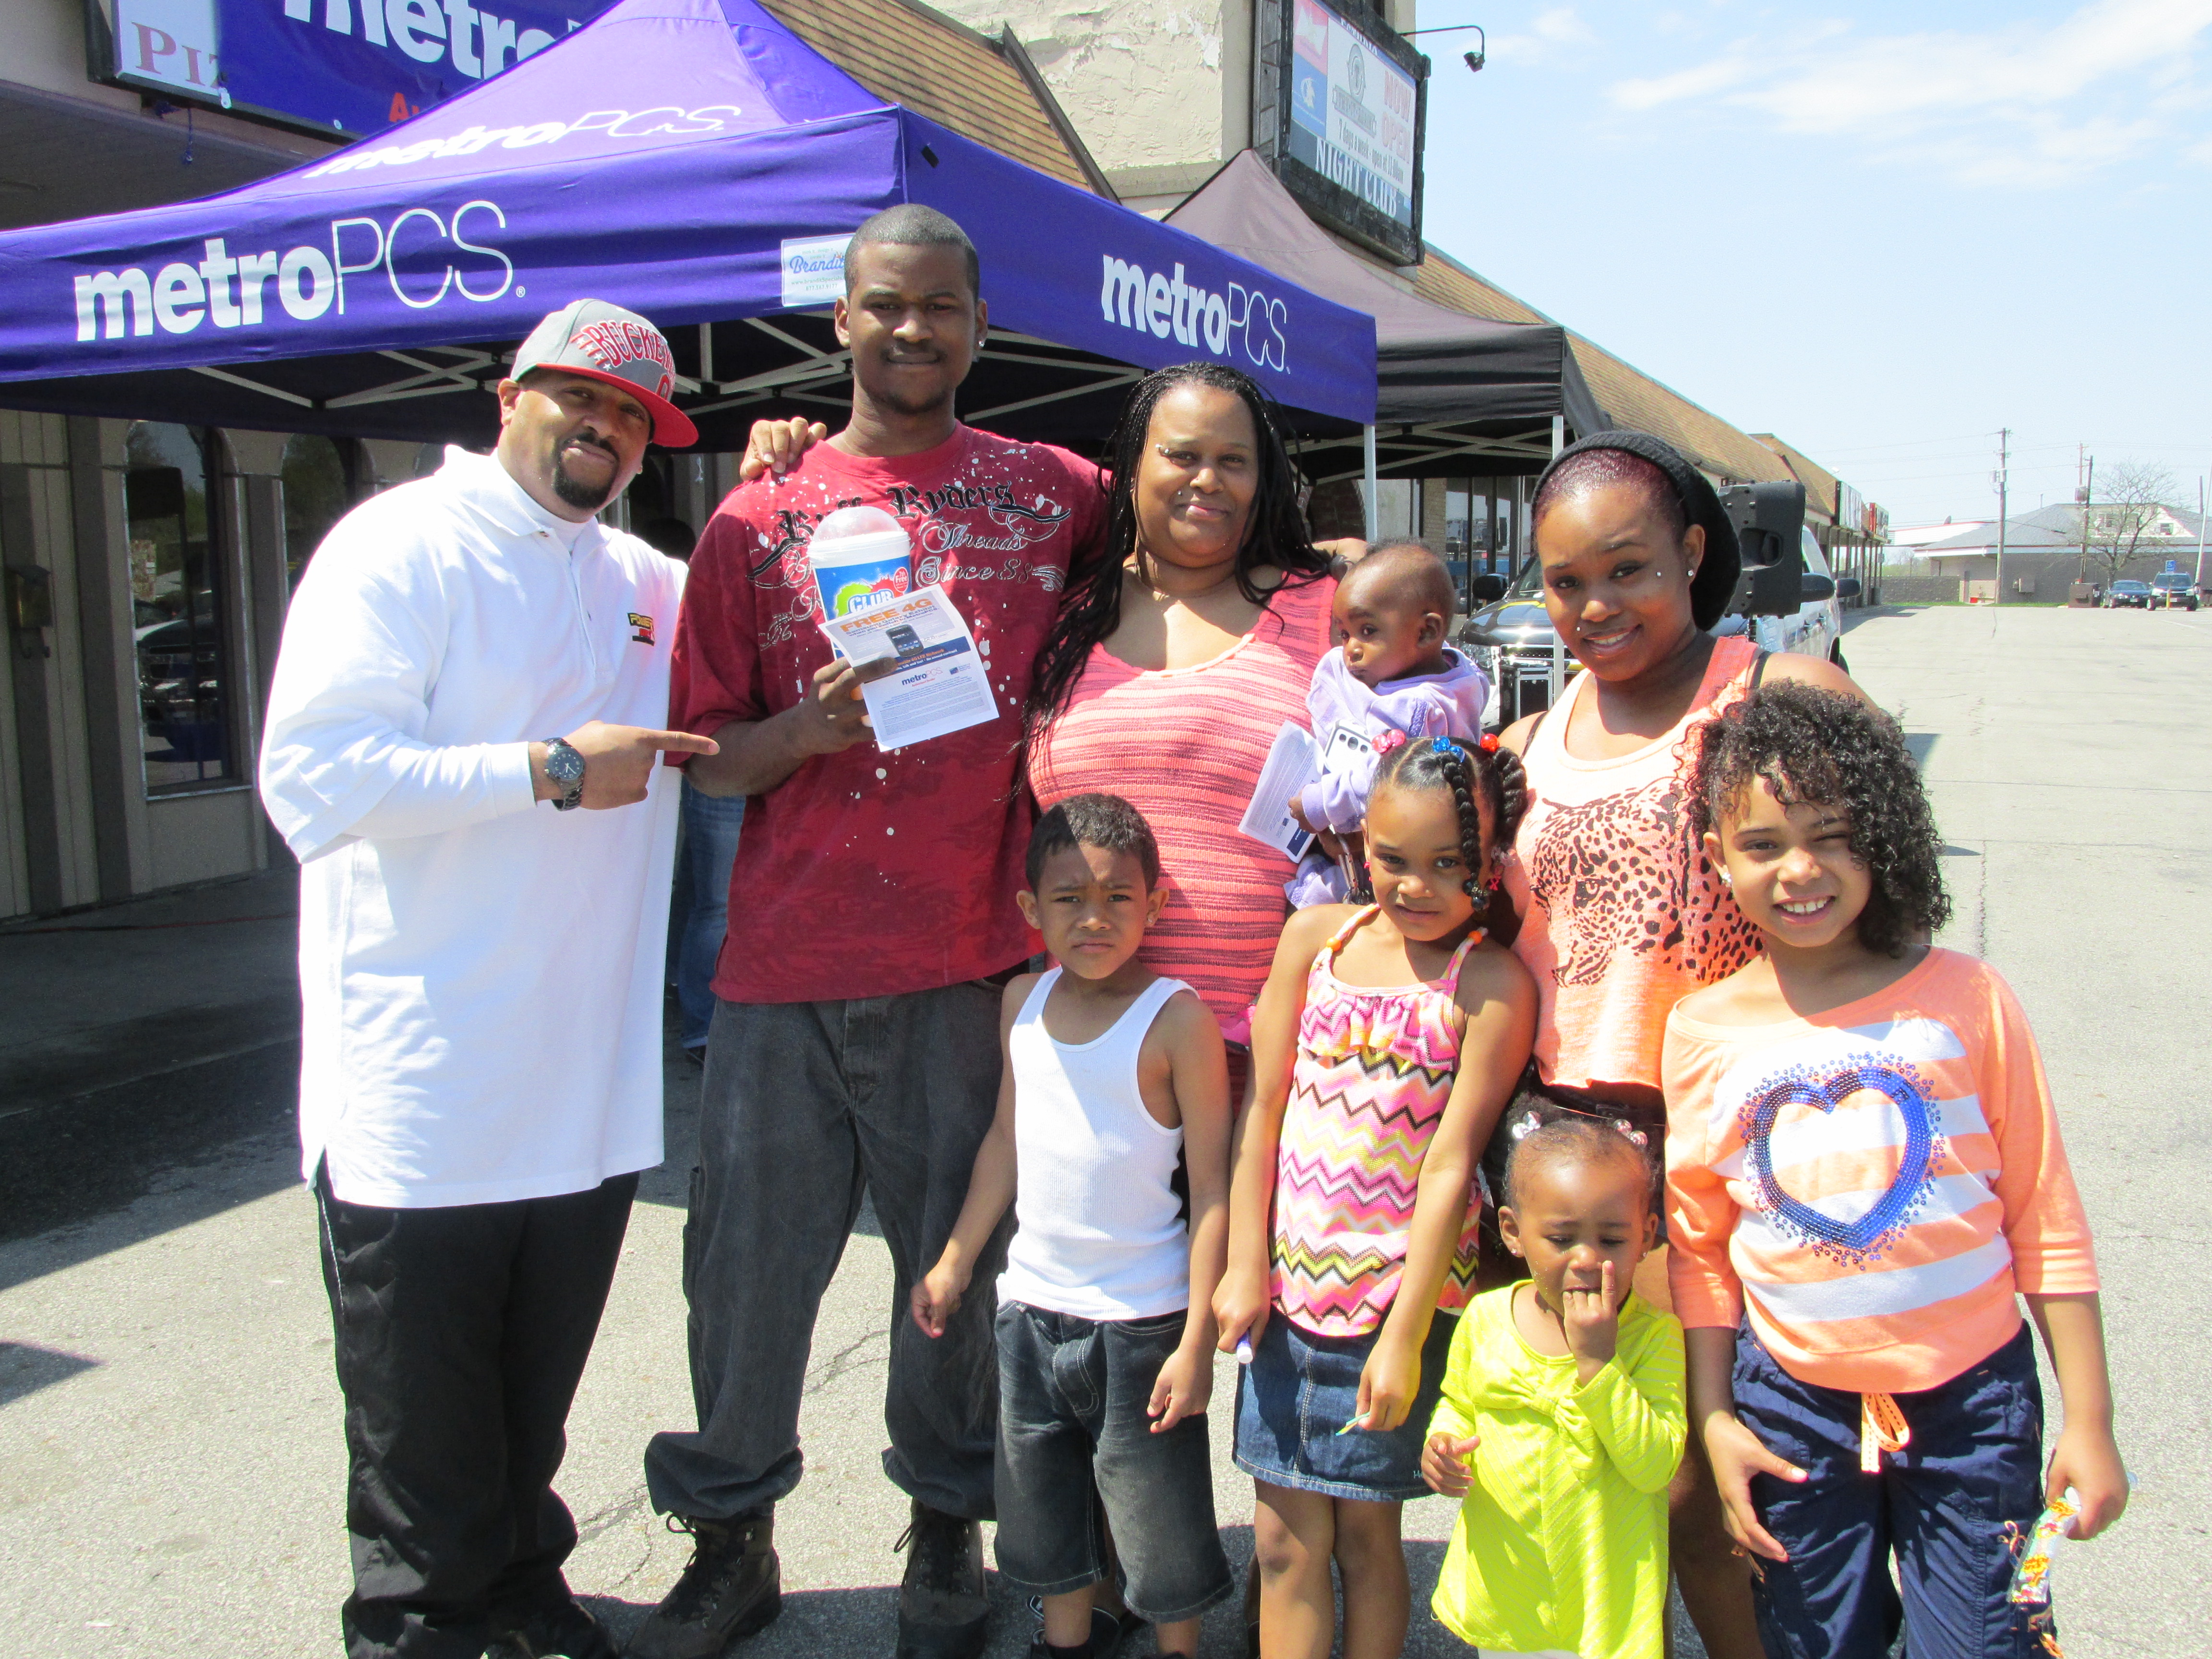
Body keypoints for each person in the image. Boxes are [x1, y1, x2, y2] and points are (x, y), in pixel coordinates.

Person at [634, 206, 1107, 1659]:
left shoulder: (1053, 493)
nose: (914, 329)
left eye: (942, 306)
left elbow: (1203, 516)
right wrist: (805, 728)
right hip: (782, 970)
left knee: (953, 1272)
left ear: (979, 323)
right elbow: (707, 758)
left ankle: (945, 1528)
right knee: (745, 1279)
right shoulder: (753, 518)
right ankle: (731, 1539)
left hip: (970, 960)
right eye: (887, 305)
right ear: (840, 321)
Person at [258, 300, 711, 1659]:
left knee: (528, 1403)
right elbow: (313, 780)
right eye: (580, 397)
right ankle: (423, 1626)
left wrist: (785, 489)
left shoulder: (642, 578)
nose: (605, 428)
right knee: (422, 1428)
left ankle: (519, 1588)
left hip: (582, 1090)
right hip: (426, 1093)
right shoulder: (399, 544)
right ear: (507, 397)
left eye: (632, 414)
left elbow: (761, 629)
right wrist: (553, 768)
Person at [1490, 429, 1872, 1659]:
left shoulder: (1776, 696)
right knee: (1614, 1475)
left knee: (1730, 1489)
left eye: (1628, 569)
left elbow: (1888, 900)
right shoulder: (1525, 745)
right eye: (1565, 582)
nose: (1596, 606)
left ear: (1693, 553)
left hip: (1739, 1148)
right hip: (1572, 1161)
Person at [1666, 682, 2127, 1658]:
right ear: (1717, 856)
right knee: (1814, 1643)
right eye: (1763, 844)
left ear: (1880, 835)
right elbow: (1699, 1250)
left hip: (1975, 1404)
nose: (1800, 869)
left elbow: (2043, 1215)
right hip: (1787, 1407)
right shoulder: (1700, 1032)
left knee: (1989, 1641)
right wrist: (1713, 1418)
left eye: (1832, 836)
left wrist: (2089, 1421)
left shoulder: (1967, 998)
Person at [1214, 736, 1536, 1659]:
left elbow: (1450, 1165)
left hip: (1394, 1304)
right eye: (1391, 858)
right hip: (1284, 1300)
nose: (1414, 885)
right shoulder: (1316, 940)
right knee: (1281, 1541)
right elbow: (1264, 1107)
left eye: (1448, 863)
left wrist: (1403, 1336)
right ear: (1360, 842)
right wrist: (1243, 1263)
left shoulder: (1488, 983)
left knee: (1365, 1537)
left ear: (1490, 859)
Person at [911, 794, 1236, 1659]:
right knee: (1044, 1520)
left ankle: (1178, 1649)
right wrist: (954, 1261)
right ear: (1031, 908)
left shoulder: (1177, 1019)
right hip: (1030, 1315)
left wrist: (1197, 1341)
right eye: (1069, 899)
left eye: (1117, 897)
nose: (1094, 918)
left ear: (1154, 905)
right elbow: (1004, 1143)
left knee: (1160, 1525)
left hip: (1143, 1326)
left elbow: (1212, 1191)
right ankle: (1066, 1644)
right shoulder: (1022, 1001)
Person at [1022, 362, 1341, 1052]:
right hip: (1082, 1059)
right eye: (1182, 455)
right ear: (1131, 469)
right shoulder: (1062, 616)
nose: (1208, 479)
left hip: (1273, 1067)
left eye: (1234, 461)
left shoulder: (1329, 611)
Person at [1422, 1116, 1686, 1659]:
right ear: (1514, 1232)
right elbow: (1459, 1404)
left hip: (1605, 1602)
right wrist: (1443, 1444)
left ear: (1646, 1236)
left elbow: (1655, 1465)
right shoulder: (1486, 1318)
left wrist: (1598, 1364)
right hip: (1509, 1586)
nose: (1587, 1258)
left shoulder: (1653, 1338)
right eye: (1562, 1239)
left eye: (1612, 1239)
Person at [1286, 542, 1488, 906]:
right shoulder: (1462, 677)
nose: (1351, 650)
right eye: (1344, 634)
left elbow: (1381, 779)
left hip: (1402, 851)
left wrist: (1318, 804)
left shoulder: (1410, 708)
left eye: (1368, 630)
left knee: (1319, 897)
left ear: (1426, 632)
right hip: (1444, 842)